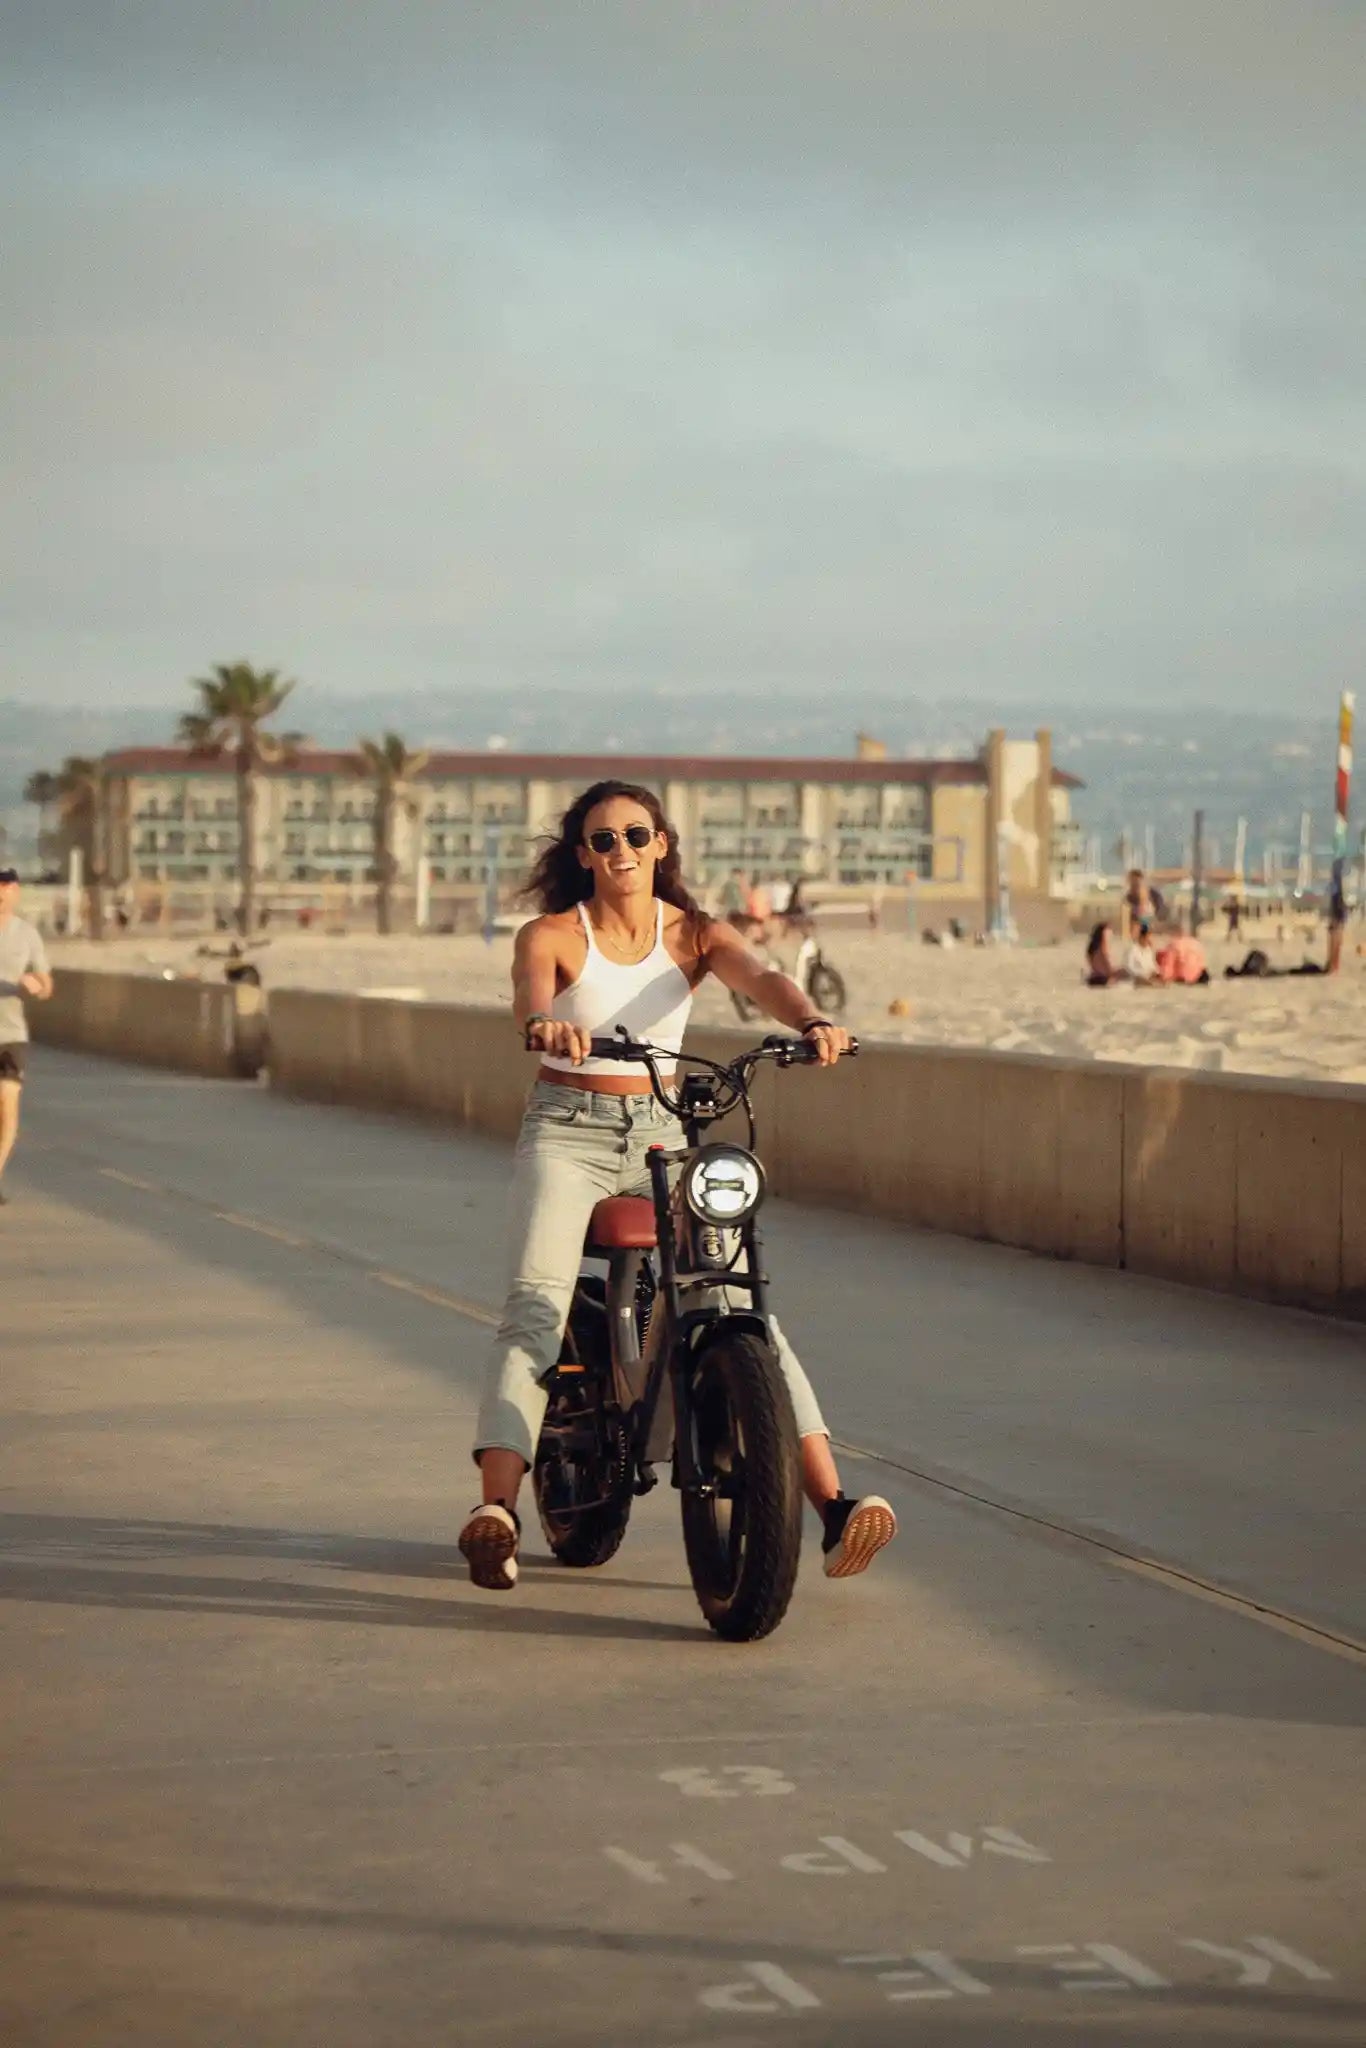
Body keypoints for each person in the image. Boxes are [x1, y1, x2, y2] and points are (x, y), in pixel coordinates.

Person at [458, 781, 896, 1594]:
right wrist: (545, 1025)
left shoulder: (695, 934)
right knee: (536, 1308)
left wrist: (810, 1023)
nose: (619, 850)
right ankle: (499, 1512)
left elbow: (762, 977)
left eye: (634, 834)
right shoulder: (551, 934)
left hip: (665, 1130)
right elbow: (530, 1000)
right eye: (601, 839)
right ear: (582, 854)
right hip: (569, 1129)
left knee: (740, 1304)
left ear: (661, 843)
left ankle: (834, 1506)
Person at [0, 869, 54, 1206]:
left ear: (16, 892)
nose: (1, 894)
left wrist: (37, 986)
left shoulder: (28, 935)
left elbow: (47, 985)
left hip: (12, 1034)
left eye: (6, 888)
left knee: (8, 1106)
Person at [1084, 921, 1123, 986]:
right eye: (1107, 938)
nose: (1109, 940)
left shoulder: (1108, 952)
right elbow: (1101, 970)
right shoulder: (1096, 952)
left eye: (1111, 937)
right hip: (1099, 978)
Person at [1125, 919, 1160, 984]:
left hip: (1149, 976)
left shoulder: (1148, 950)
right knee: (1142, 979)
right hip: (1137, 977)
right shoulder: (1132, 949)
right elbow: (1129, 968)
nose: (1149, 940)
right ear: (1141, 937)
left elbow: (1153, 964)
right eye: (1147, 937)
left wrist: (1156, 971)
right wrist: (1142, 973)